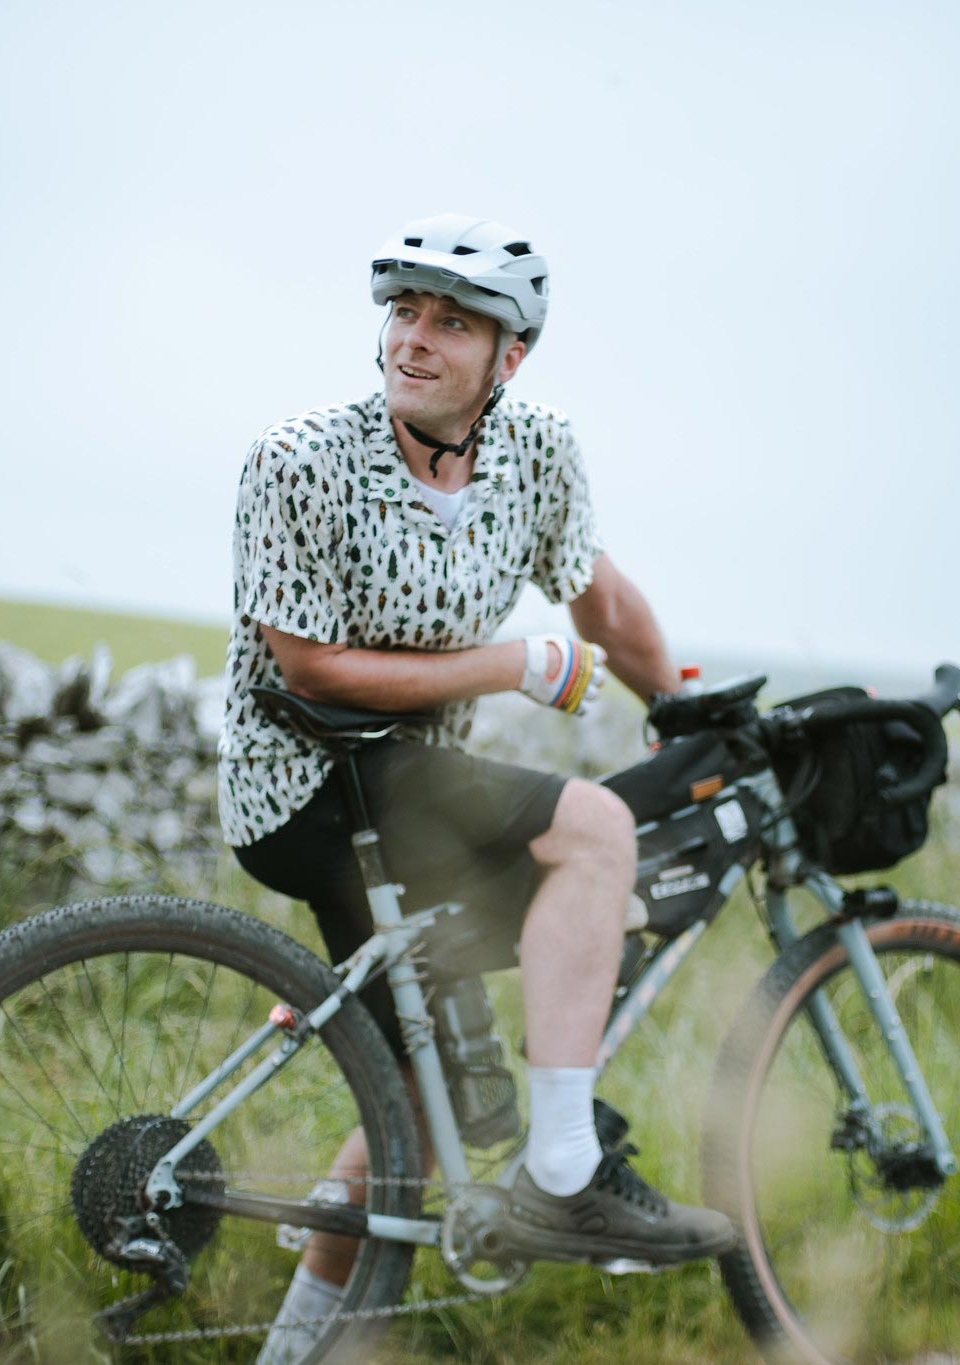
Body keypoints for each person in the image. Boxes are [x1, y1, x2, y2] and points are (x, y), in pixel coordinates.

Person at [219, 214, 736, 1357]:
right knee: (595, 832)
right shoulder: (298, 457)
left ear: (509, 358)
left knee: (404, 1100)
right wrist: (512, 664)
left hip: (410, 788)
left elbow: (592, 594)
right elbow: (306, 666)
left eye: (450, 321)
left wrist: (682, 702)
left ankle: (291, 1353)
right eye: (403, 312)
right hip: (305, 781)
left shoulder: (536, 450)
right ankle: (565, 1170)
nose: (414, 337)